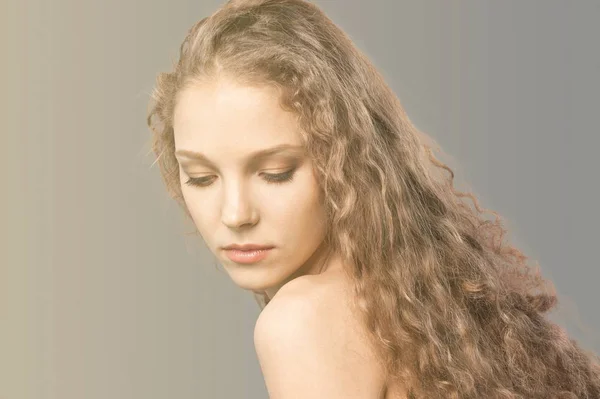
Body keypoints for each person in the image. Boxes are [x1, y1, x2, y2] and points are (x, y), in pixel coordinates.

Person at [146, 0, 600, 397]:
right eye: (202, 178)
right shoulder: (412, 302)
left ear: (345, 163)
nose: (234, 214)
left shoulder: (301, 322)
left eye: (275, 173)